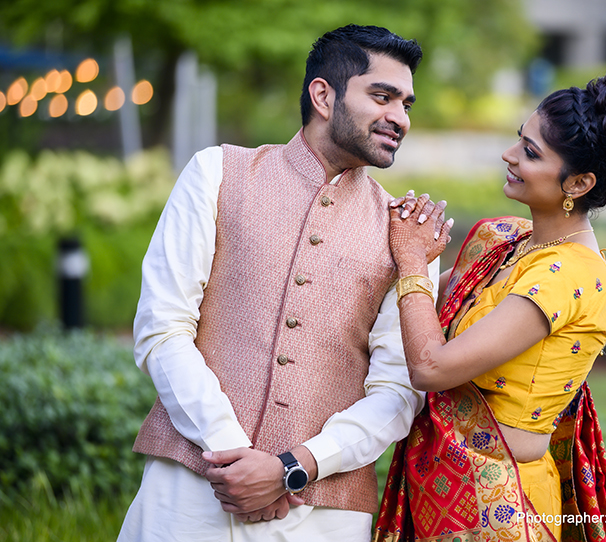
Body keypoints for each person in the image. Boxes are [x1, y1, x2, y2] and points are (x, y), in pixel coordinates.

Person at [118, 24, 451, 542]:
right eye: (382, 96)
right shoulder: (217, 173)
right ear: (323, 95)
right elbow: (162, 329)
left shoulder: (406, 233)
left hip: (325, 517)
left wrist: (292, 468)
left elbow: (396, 392)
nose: (399, 118)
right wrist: (233, 456)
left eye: (407, 104)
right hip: (186, 496)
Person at [375, 72, 606, 542]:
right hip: (440, 489)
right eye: (518, 141)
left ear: (580, 182)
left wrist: (411, 257)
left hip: (503, 510)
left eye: (531, 153)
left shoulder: (572, 274)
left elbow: (432, 366)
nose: (510, 156)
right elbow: (417, 302)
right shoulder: (507, 241)